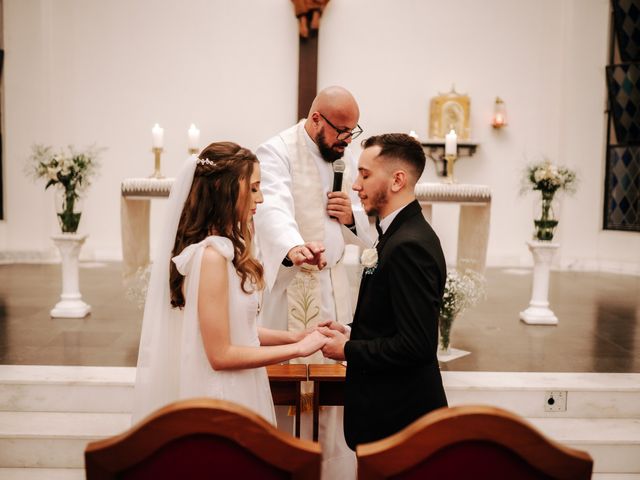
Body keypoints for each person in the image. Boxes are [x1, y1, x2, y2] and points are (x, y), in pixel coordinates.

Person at [132, 142, 327, 425]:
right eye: (254, 188)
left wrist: (297, 336)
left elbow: (239, 329)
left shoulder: (223, 250)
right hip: (222, 395)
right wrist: (298, 351)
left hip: (243, 384)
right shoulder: (211, 257)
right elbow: (220, 355)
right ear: (227, 190)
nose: (260, 199)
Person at [253, 86, 372, 478]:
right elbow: (270, 208)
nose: (346, 141)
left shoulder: (344, 155)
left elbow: (366, 213)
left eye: (352, 132)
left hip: (335, 291)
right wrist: (293, 247)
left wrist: (351, 216)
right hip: (293, 289)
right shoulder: (277, 151)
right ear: (316, 118)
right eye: (341, 130)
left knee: (335, 394)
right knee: (288, 392)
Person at [320, 133, 448, 450]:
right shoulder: (396, 233)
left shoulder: (410, 245)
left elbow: (416, 345)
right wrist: (353, 333)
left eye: (364, 174)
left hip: (402, 422)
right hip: (391, 419)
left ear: (396, 180)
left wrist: (347, 351)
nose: (354, 185)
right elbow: (394, 321)